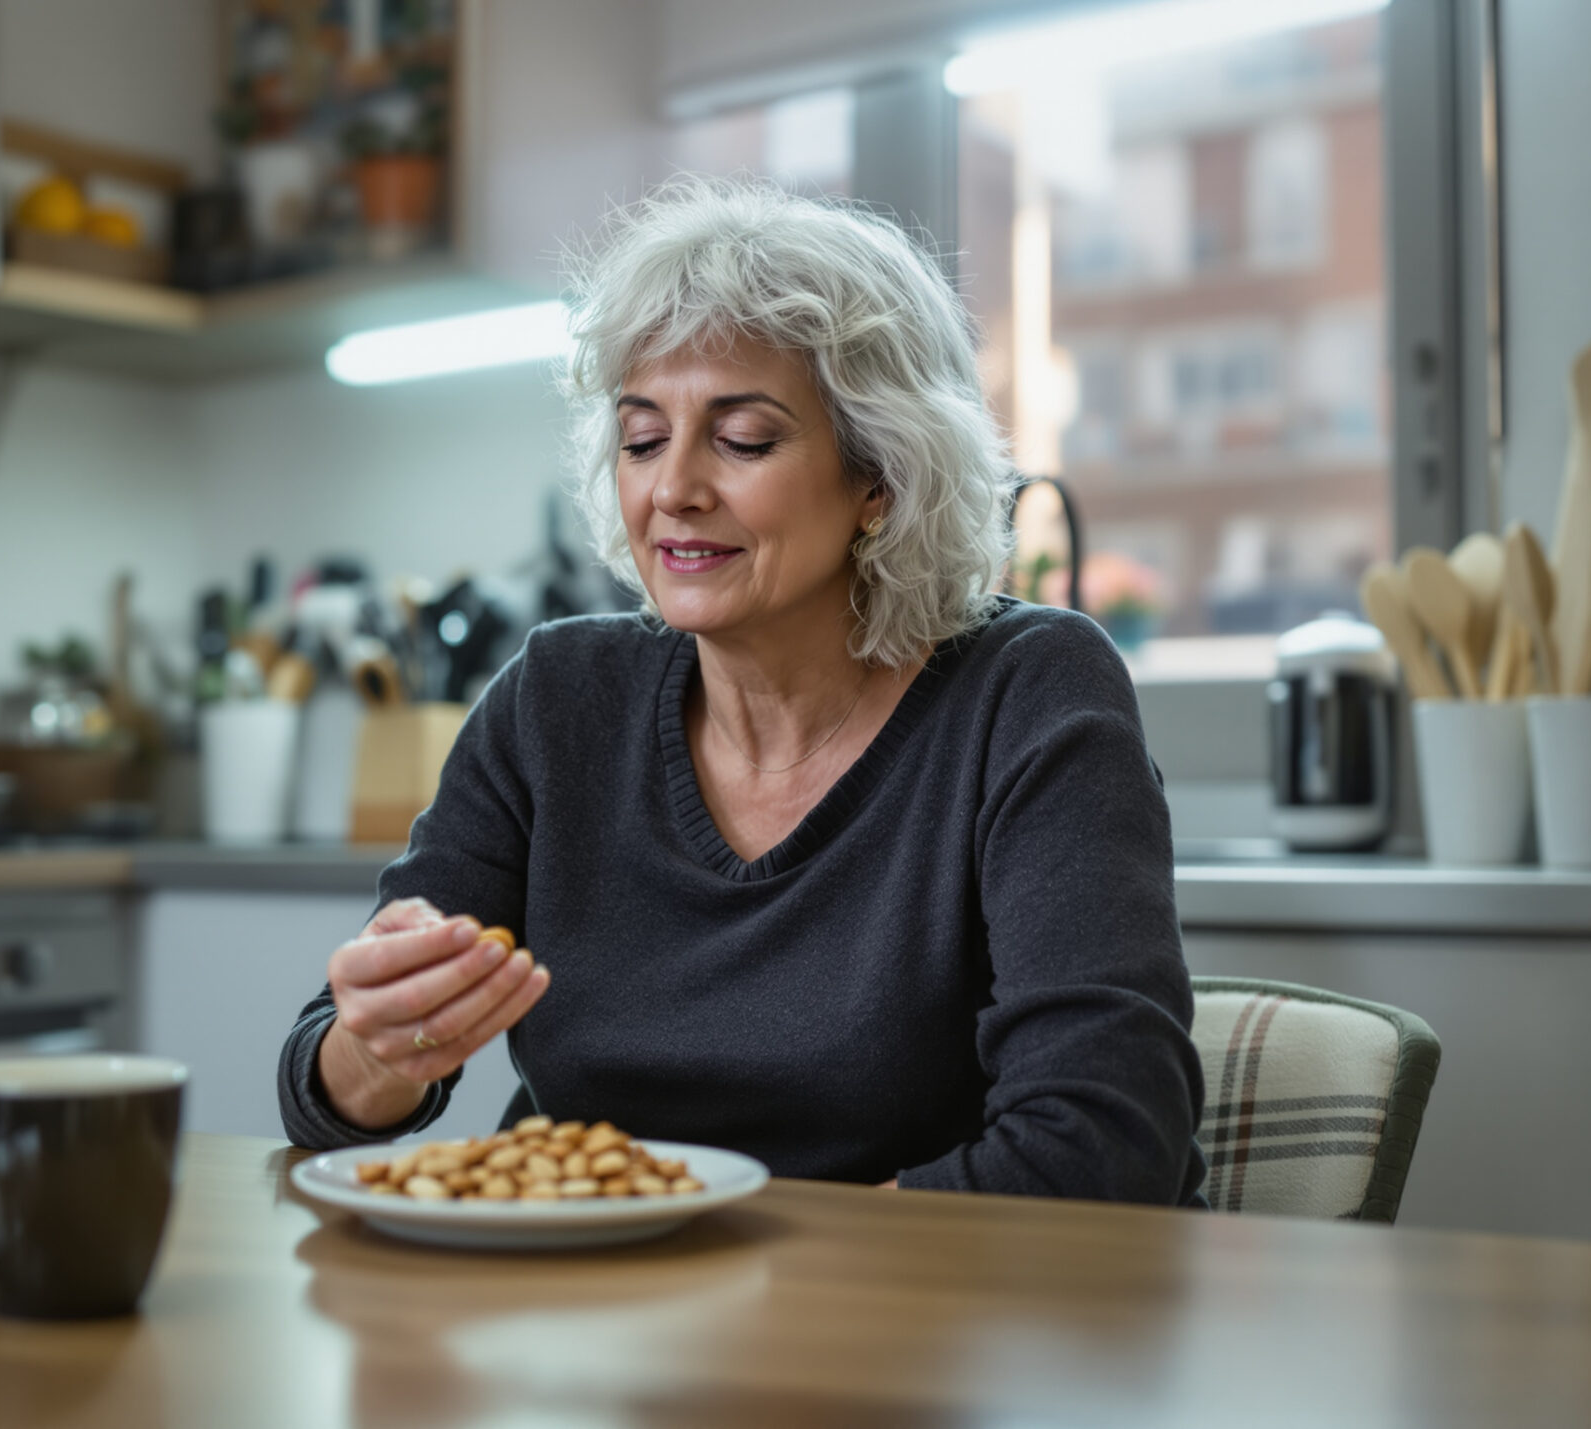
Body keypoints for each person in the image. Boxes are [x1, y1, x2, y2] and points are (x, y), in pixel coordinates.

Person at [275, 177, 1205, 1202]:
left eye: (742, 439)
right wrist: (375, 1045)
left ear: (880, 477)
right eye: (640, 439)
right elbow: (324, 1094)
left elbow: (1102, 1144)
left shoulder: (1028, 694)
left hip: (938, 1327)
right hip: (604, 1319)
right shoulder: (556, 701)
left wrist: (734, 1275)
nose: (672, 487)